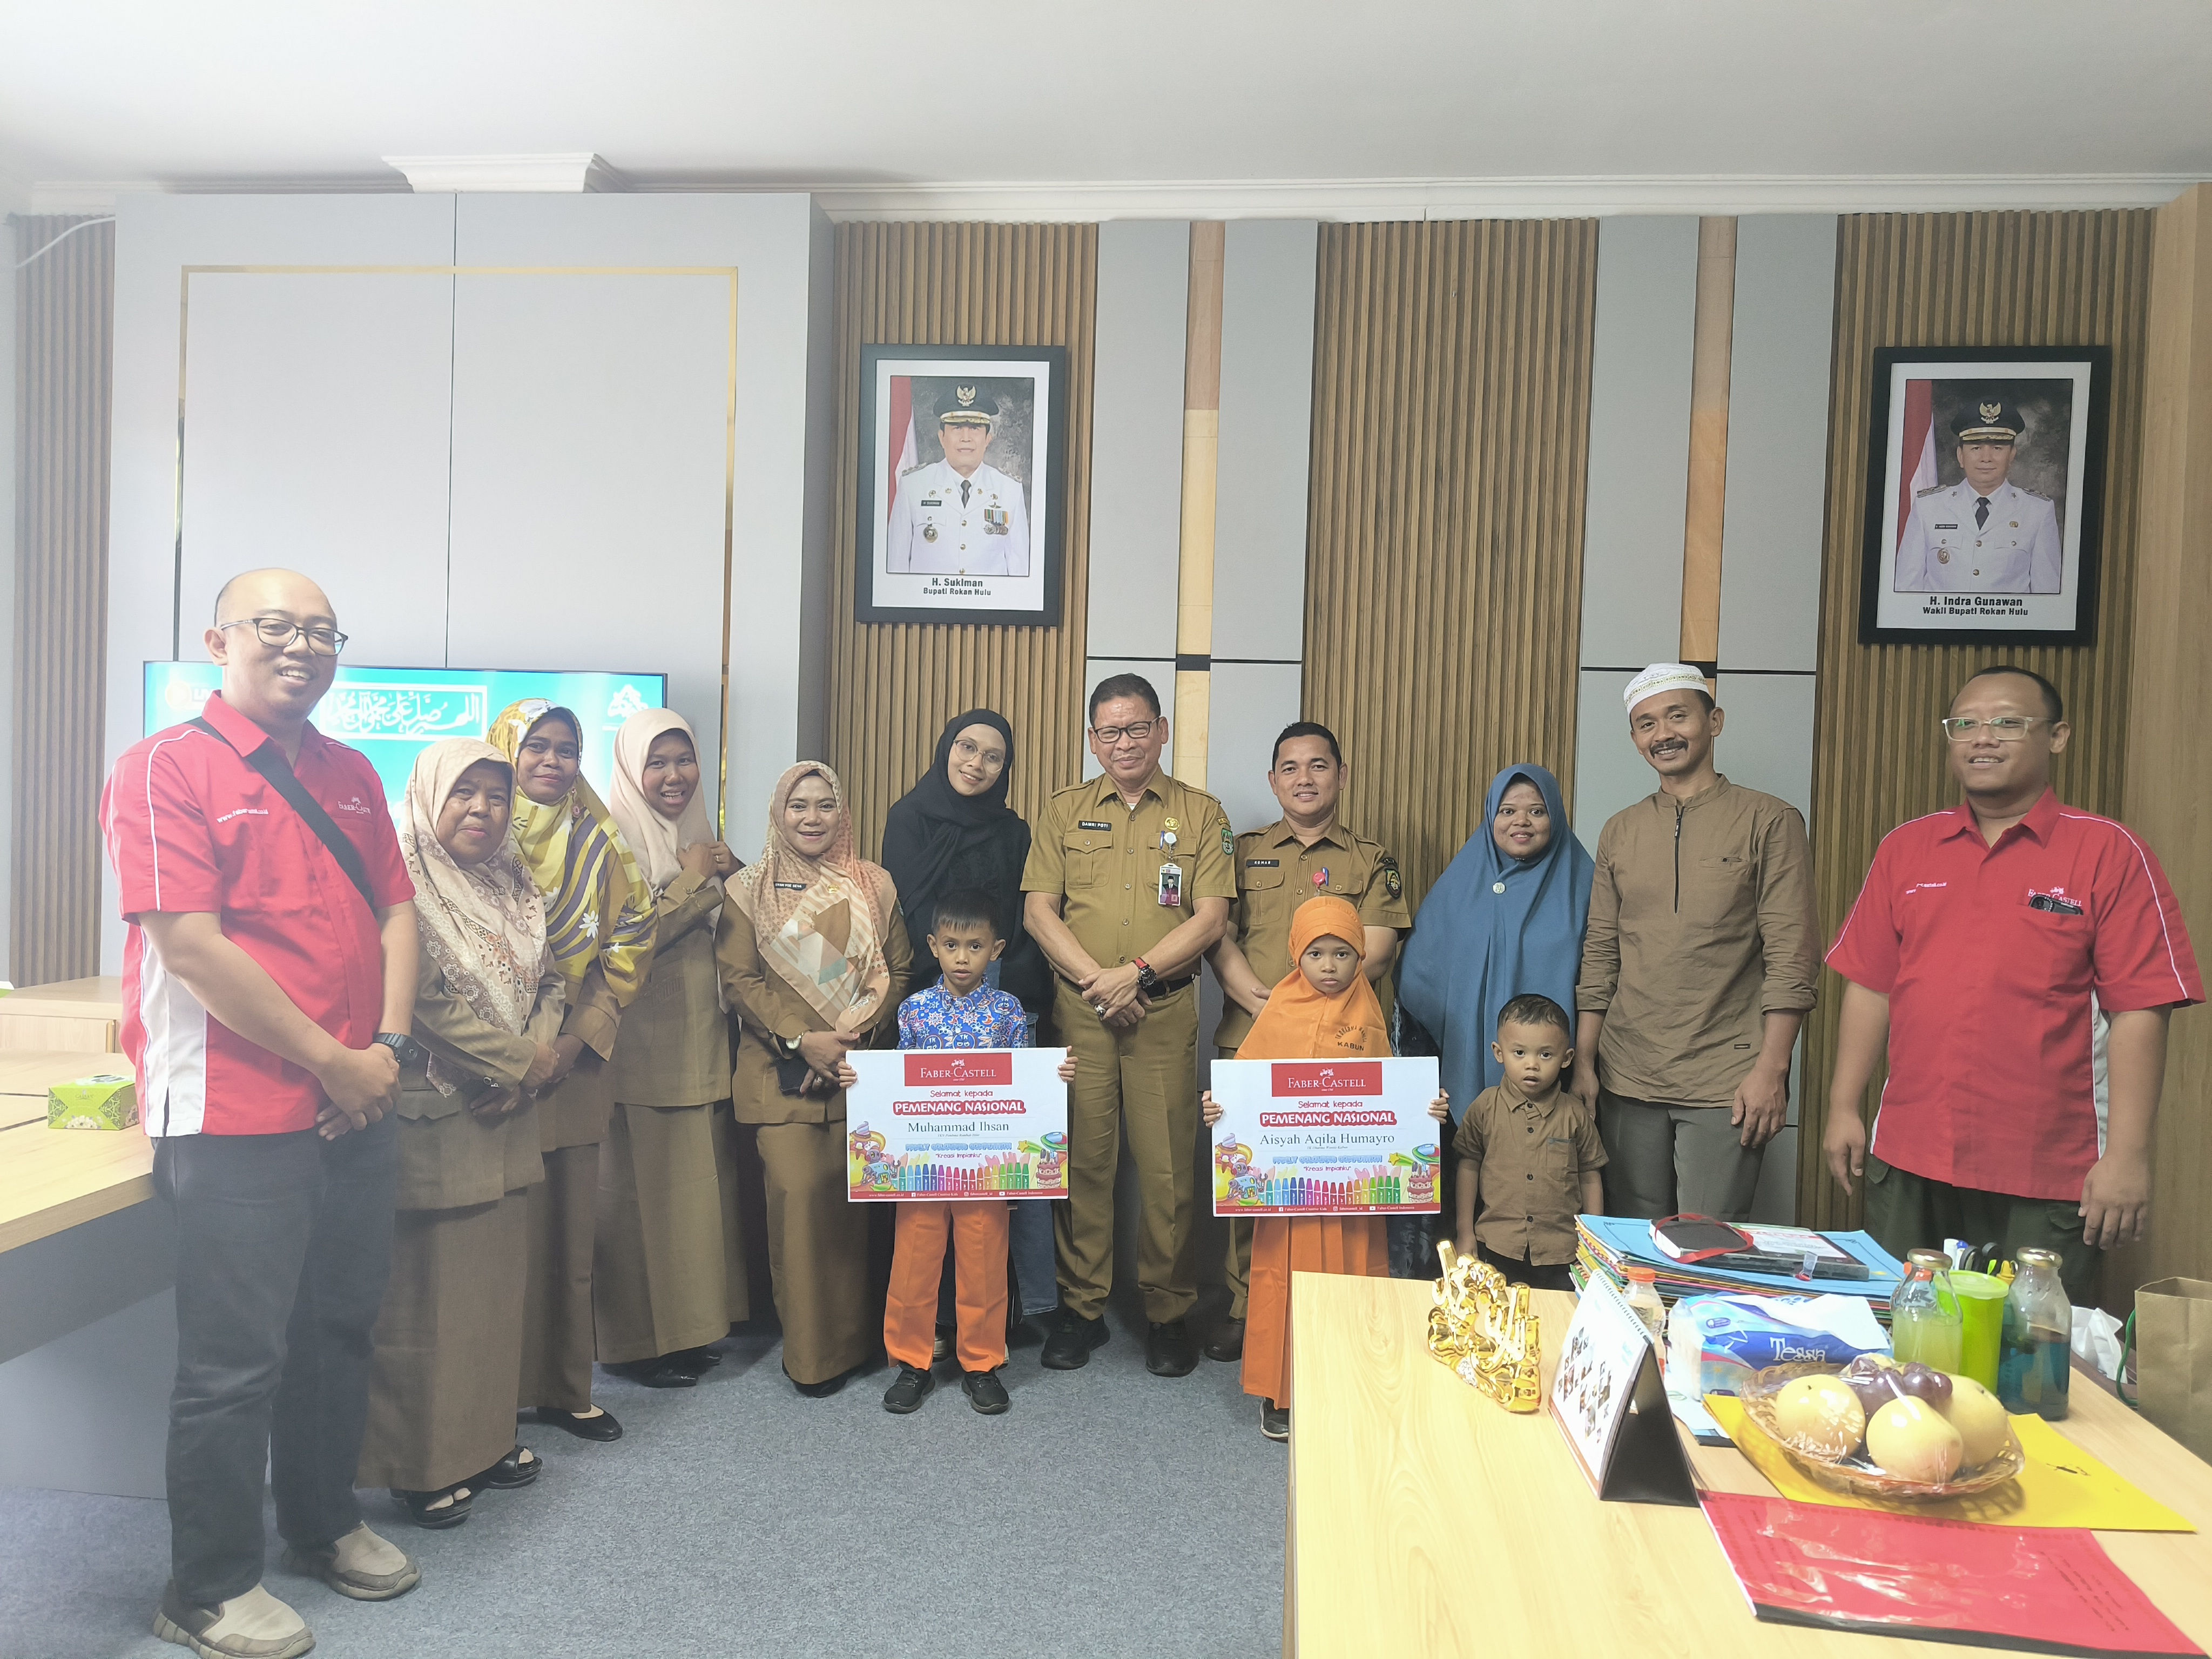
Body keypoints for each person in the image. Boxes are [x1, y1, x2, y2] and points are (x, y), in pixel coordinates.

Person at [101, 569, 422, 1658]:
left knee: (336, 1329)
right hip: (236, 1114)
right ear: (219, 639)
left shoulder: (351, 773)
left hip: (356, 1097)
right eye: (276, 627)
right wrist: (335, 1061)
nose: (302, 647)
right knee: (234, 1361)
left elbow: (395, 911)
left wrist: (380, 1051)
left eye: (322, 632)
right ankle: (207, 1585)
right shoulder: (162, 771)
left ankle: (323, 1521)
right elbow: (190, 947)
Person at [1823, 665, 2203, 1305]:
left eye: (2006, 722)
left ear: (2056, 737)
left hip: (2048, 1166)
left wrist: (2129, 1157)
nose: (1982, 738)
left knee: (2033, 1361)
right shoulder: (1907, 849)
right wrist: (1841, 1105)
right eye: (1964, 725)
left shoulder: (2107, 851)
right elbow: (1871, 985)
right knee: (1901, 1337)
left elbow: (2141, 1009)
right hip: (1912, 1153)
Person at [358, 739, 565, 1528]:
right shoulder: (401, 880)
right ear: (428, 796)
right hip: (439, 1115)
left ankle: (483, 1439)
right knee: (425, 1305)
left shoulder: (514, 881)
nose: (483, 810)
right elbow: (420, 1001)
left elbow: (551, 978)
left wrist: (535, 1065)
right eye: (464, 794)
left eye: (496, 796)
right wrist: (520, 1063)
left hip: (506, 1112)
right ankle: (420, 1465)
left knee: (489, 1298)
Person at [1023, 674, 1233, 1377]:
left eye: (1137, 727)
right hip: (1082, 1013)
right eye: (1110, 731)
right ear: (1092, 739)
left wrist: (1135, 975)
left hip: (1164, 1012)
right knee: (1083, 1160)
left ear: (1162, 731)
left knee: (1168, 1168)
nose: (1125, 742)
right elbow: (1038, 912)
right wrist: (1099, 982)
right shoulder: (1062, 811)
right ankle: (1082, 1309)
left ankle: (1168, 1312)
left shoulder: (1202, 814)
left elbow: (1210, 918)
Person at [1574, 664, 1818, 1222]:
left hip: (1725, 1077)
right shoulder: (1620, 829)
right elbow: (1601, 953)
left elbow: (1792, 956)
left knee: (1704, 1248)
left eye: (1677, 716)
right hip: (1626, 1074)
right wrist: (1585, 1062)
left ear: (1714, 721)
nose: (1662, 734)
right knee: (1635, 1249)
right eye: (1645, 724)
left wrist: (1771, 1070)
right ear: (1635, 739)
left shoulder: (1770, 820)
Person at [1202, 720, 1411, 1363]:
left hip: (1343, 1047)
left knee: (1335, 1185)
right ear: (1273, 781)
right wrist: (1250, 993)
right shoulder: (1245, 850)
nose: (1304, 779)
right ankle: (1249, 1307)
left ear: (1341, 776)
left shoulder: (1370, 858)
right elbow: (1217, 930)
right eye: (1290, 768)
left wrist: (1307, 997)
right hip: (1253, 1036)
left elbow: (1376, 947)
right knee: (1251, 1178)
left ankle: (1335, 1309)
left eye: (1318, 766)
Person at [1201, 896, 1445, 1440]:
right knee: (1281, 1279)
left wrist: (1425, 1111)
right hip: (1290, 1198)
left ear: (1361, 958)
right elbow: (1243, 1092)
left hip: (1353, 1197)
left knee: (1353, 1278)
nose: (1329, 966)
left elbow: (1392, 1102)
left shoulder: (1370, 1017)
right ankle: (1281, 1392)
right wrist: (1218, 1109)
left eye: (1342, 953)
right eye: (1316, 953)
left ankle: (1349, 1382)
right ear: (1296, 955)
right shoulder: (1278, 1011)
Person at [487, 700, 656, 1439]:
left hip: (575, 1064)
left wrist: (576, 1043)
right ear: (507, 753)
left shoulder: (600, 844)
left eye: (567, 749)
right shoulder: (472, 834)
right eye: (537, 747)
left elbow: (631, 937)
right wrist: (517, 1048)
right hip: (489, 1062)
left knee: (568, 1230)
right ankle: (490, 1397)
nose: (553, 762)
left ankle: (564, 1388)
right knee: (497, 1236)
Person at [718, 762, 912, 1395]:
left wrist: (850, 1042)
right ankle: (811, 1359)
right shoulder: (747, 889)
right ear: (779, 812)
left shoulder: (874, 884)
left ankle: (860, 1346)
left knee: (858, 1221)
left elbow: (902, 973)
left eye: (824, 805)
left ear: (842, 813)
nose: (811, 818)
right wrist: (805, 1044)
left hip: (860, 1077)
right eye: (798, 805)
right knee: (800, 1215)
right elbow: (739, 982)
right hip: (782, 1079)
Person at [854, 887, 1080, 1417]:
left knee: (982, 1261)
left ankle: (981, 1363)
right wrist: (858, 1081)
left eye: (974, 946)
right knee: (914, 1260)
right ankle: (912, 1363)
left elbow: (1023, 1087)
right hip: (923, 1166)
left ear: (996, 950)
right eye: (952, 945)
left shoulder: (1008, 1013)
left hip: (985, 1167)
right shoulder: (913, 1012)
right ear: (933, 946)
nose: (962, 957)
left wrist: (1052, 1077)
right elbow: (896, 1086)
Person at [879, 709, 1058, 1338]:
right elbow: (899, 914)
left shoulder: (1014, 831)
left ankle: (1017, 1310)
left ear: (1006, 769)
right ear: (945, 747)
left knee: (1009, 1163)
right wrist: (940, 984)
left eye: (992, 757)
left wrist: (999, 996)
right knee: (929, 1174)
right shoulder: (907, 819)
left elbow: (1022, 917)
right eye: (966, 747)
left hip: (1002, 1006)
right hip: (924, 1010)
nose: (975, 764)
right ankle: (930, 1322)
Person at [596, 708, 748, 1391]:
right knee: (641, 1197)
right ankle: (635, 1344)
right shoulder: (611, 836)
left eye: (684, 760)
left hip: (703, 1039)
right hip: (643, 1047)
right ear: (632, 768)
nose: (674, 775)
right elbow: (626, 942)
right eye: (657, 762)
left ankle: (689, 1333)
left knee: (694, 1196)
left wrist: (728, 867)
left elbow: (736, 917)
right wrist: (691, 879)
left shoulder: (695, 832)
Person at [1397, 764, 1593, 1280]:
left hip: (1555, 1077)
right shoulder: (1464, 879)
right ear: (1490, 817)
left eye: (1536, 810)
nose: (1520, 821)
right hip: (1468, 1060)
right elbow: (1422, 969)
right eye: (1507, 811)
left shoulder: (1582, 881)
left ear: (1556, 815)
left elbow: (1602, 976)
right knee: (1470, 1167)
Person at [1452, 994, 1607, 1294]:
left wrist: (1593, 1244)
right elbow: (1468, 1167)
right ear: (1499, 1052)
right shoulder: (1485, 1107)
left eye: (1546, 1055)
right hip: (1496, 1245)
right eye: (1520, 1052)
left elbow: (1590, 1176)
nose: (1532, 1065)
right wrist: (1464, 1233)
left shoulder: (1574, 1113)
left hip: (1562, 1252)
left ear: (1567, 1058)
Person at [1894, 397, 2063, 594]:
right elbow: (1906, 588)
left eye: (1997, 448)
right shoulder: (1928, 507)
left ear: (2012, 456)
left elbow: (2047, 595)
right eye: (1976, 448)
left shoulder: (2038, 511)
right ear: (1960, 456)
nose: (1986, 458)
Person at [885, 386, 1032, 577]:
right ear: (942, 438)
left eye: (975, 428)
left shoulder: (1010, 490)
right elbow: (896, 566)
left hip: (989, 607)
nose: (966, 438)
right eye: (956, 428)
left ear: (988, 439)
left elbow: (1020, 572)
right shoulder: (913, 486)